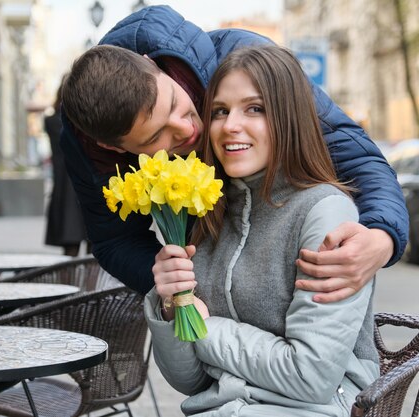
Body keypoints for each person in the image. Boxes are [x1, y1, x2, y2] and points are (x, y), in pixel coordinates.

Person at [60, 5, 408, 300]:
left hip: (293, 250)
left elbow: (356, 157)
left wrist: (382, 237)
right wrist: (167, 283)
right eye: (156, 136)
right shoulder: (88, 142)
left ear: (153, 65)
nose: (186, 130)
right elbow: (115, 241)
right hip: (211, 275)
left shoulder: (247, 62)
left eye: (174, 104)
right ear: (113, 147)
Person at [147, 45, 378, 416]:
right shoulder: (208, 214)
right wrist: (173, 306)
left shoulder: (326, 214)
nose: (230, 125)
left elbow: (311, 376)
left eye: (254, 109)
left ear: (289, 118)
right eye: (220, 111)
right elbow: (189, 382)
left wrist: (206, 327)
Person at [44, 75, 88, 256]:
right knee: (88, 250)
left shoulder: (53, 121)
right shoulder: (62, 122)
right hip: (78, 187)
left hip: (69, 189)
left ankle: (74, 283)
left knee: (76, 249)